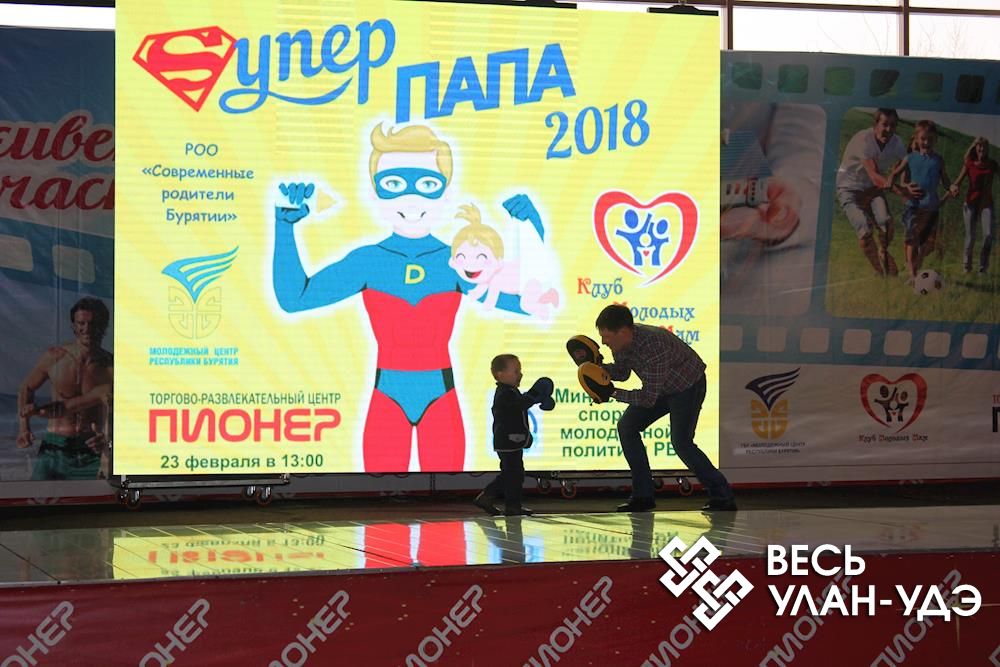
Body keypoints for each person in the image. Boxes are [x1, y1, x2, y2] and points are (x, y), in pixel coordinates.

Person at [272, 123, 548, 472]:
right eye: (393, 184)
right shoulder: (369, 260)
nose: (411, 198)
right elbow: (295, 298)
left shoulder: (456, 261)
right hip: (387, 395)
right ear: (374, 192)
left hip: (440, 396)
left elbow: (533, 302)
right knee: (379, 499)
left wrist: (532, 228)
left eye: (428, 184)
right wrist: (284, 228)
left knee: (449, 499)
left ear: (446, 192)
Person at [595, 304, 735, 512]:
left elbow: (647, 398)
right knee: (627, 427)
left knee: (681, 442)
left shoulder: (654, 345)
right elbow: (623, 373)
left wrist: (611, 392)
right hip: (661, 387)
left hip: (687, 385)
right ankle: (643, 496)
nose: (603, 342)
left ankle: (722, 496)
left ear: (622, 332)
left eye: (606, 337)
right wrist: (597, 368)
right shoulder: (623, 344)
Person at [16, 297, 113, 480]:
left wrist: (108, 439)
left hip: (91, 447)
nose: (87, 329)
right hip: (55, 445)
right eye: (81, 323)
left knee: (92, 497)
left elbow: (127, 413)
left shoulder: (111, 367)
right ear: (74, 326)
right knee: (39, 495)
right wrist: (24, 428)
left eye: (93, 323)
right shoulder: (55, 357)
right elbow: (26, 388)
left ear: (103, 326)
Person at [835, 108, 919, 277]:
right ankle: (881, 272)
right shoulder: (863, 140)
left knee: (886, 223)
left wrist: (900, 178)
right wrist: (902, 191)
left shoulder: (896, 141)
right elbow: (874, 176)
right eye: (885, 124)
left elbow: (906, 161)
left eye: (893, 125)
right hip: (849, 189)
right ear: (875, 125)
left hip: (872, 190)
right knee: (865, 230)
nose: (889, 129)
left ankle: (883, 251)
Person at [473, 354, 553, 517]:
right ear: (500, 374)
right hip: (507, 441)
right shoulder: (504, 393)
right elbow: (517, 407)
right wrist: (534, 395)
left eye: (520, 371)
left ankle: (511, 505)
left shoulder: (511, 392)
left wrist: (536, 398)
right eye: (516, 371)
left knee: (513, 474)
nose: (520, 374)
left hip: (511, 441)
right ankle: (492, 498)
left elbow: (520, 409)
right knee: (512, 473)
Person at [448, 204, 559, 317]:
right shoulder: (488, 277)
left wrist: (488, 305)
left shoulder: (495, 278)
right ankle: (550, 295)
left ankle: (543, 310)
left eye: (481, 258)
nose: (471, 265)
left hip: (530, 281)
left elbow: (492, 294)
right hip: (526, 281)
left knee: (526, 305)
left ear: (498, 262)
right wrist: (476, 293)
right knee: (531, 298)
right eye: (461, 257)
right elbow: (483, 285)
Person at [886, 120, 953, 283]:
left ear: (936, 140)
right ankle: (912, 274)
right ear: (916, 139)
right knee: (911, 240)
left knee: (926, 244)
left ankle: (915, 268)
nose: (926, 142)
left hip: (931, 208)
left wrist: (952, 187)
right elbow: (895, 173)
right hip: (913, 207)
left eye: (930, 139)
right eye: (923, 139)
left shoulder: (938, 160)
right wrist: (891, 180)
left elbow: (945, 181)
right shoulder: (910, 158)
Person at [949, 136, 997, 274]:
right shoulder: (969, 164)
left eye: (984, 146)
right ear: (975, 148)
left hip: (986, 204)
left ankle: (983, 267)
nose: (981, 149)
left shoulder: (992, 164)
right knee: (970, 237)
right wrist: (954, 188)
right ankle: (967, 267)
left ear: (988, 149)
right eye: (979, 146)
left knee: (988, 235)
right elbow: (957, 182)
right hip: (970, 203)